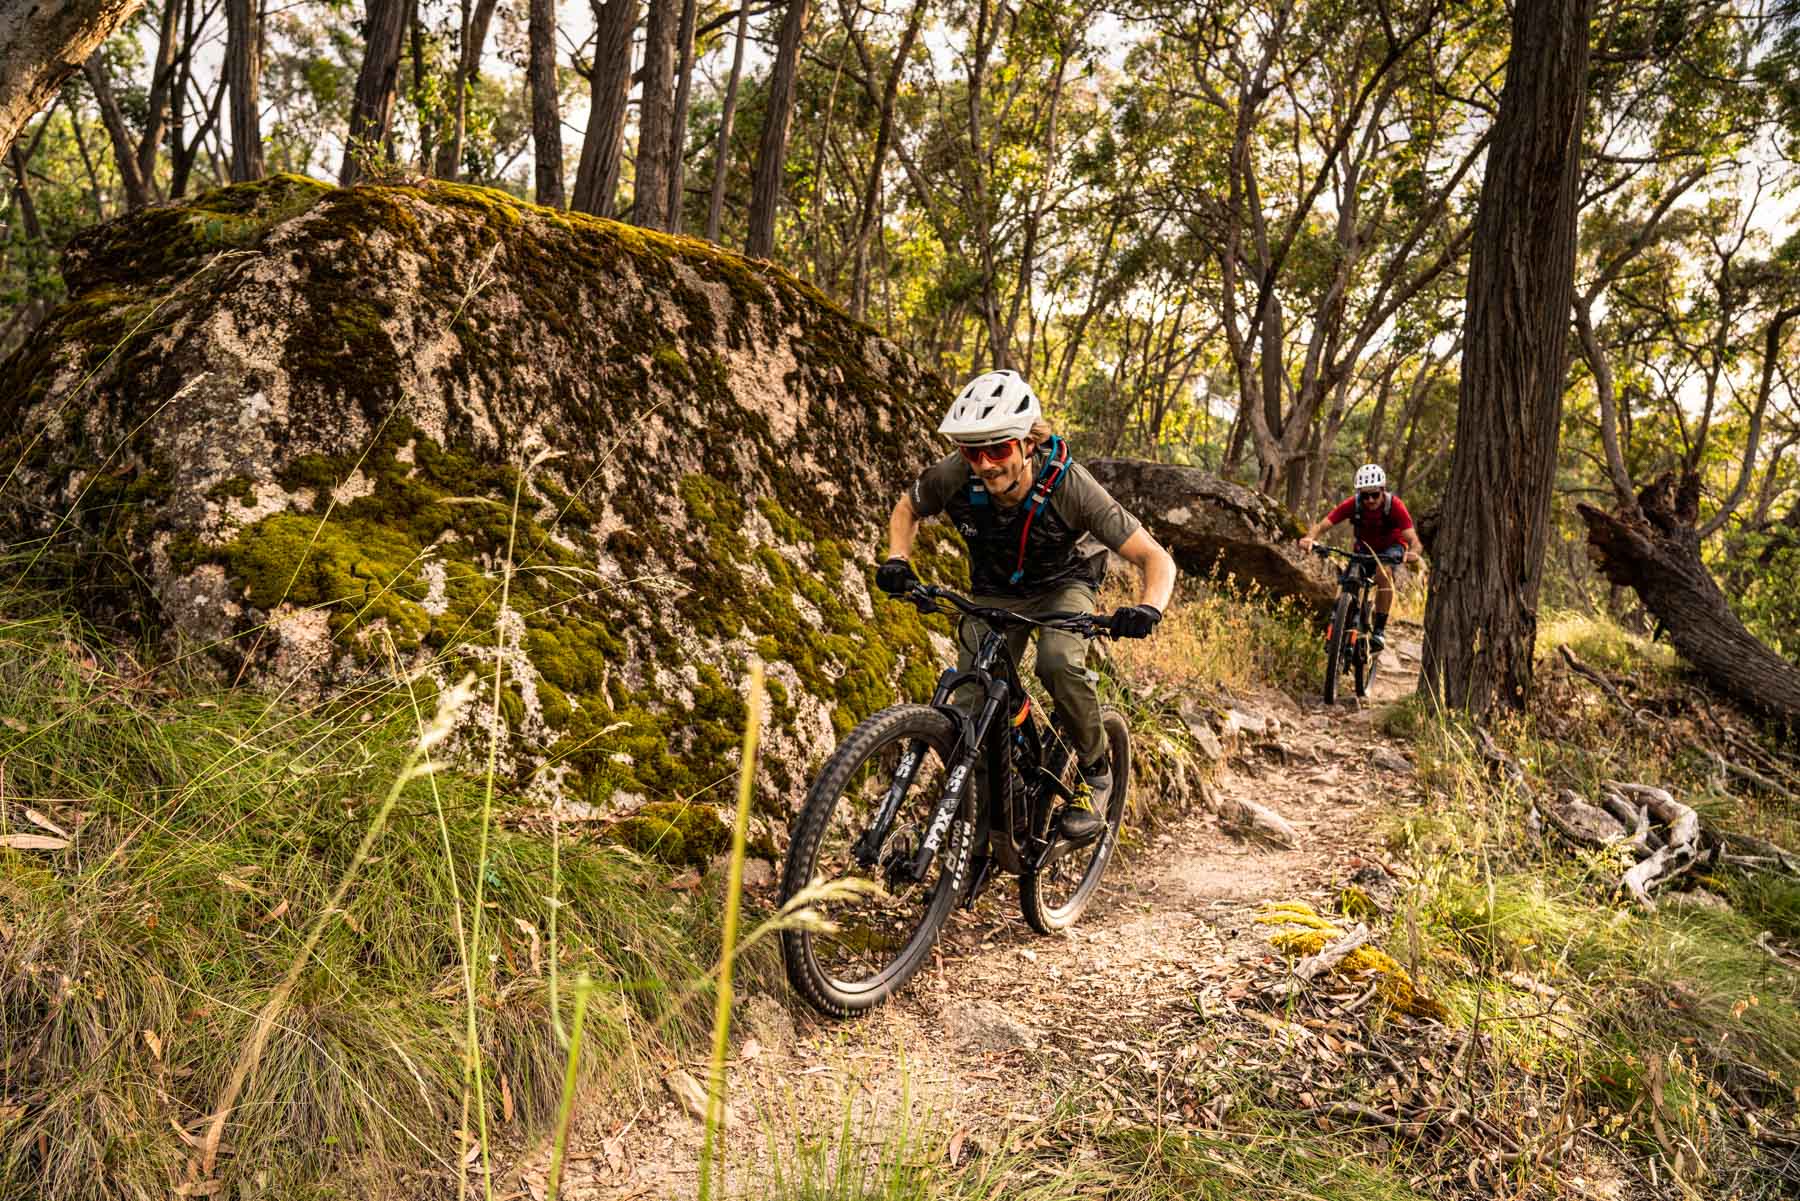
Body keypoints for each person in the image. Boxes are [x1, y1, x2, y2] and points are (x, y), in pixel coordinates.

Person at [875, 369, 1176, 843]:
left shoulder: (1071, 486)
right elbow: (906, 509)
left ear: (1027, 443)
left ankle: (1096, 773)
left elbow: (1155, 558)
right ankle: (993, 815)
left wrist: (1148, 608)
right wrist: (898, 558)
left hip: (1063, 587)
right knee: (973, 700)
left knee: (1058, 662)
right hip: (994, 591)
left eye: (998, 450)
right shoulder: (955, 474)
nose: (985, 464)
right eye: (974, 452)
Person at [1297, 463, 1423, 651]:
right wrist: (1309, 538)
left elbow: (1414, 540)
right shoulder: (1353, 504)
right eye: (1365, 495)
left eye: (1375, 494)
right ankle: (1339, 626)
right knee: (1348, 579)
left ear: (1383, 490)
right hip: (1363, 549)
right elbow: (1323, 525)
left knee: (1382, 573)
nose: (1370, 500)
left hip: (1390, 548)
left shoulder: (1394, 506)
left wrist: (1413, 553)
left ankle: (1379, 630)